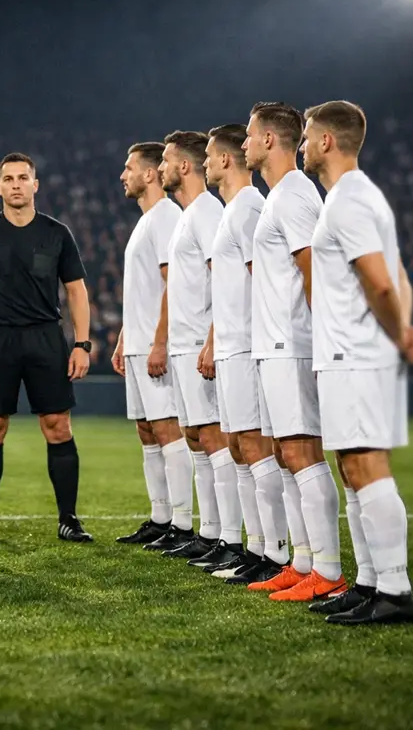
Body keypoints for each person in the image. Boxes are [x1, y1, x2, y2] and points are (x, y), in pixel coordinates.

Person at [303, 99, 413, 624]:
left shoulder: (348, 201)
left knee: (366, 466)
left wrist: (398, 335)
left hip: (356, 353)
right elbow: (399, 278)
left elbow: (379, 281)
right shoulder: (359, 196)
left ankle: (395, 591)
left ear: (327, 141)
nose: (305, 144)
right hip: (355, 352)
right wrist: (404, 331)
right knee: (352, 468)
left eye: (307, 135)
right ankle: (370, 583)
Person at [0, 152, 92, 543]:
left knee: (58, 426)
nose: (16, 184)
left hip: (46, 338)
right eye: (8, 178)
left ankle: (69, 518)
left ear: (36, 184)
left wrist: (82, 343)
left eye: (23, 177)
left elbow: (77, 290)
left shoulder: (57, 233)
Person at [239, 102, 344, 599]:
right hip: (273, 343)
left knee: (302, 451)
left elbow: (313, 270)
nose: (243, 145)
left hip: (292, 343)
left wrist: (322, 341)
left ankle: (327, 570)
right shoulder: (280, 196)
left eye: (250, 135)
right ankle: (303, 564)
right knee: (286, 453)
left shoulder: (295, 195)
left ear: (268, 141)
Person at [156, 131, 237, 566]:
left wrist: (212, 339)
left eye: (167, 161)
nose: (162, 168)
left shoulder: (207, 211)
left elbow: (221, 276)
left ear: (181, 166)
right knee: (196, 439)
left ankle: (229, 538)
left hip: (200, 345)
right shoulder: (189, 214)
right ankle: (210, 534)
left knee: (213, 439)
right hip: (184, 346)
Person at [197, 124, 270, 580]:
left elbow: (261, 280)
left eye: (209, 155)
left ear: (225, 160)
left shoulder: (248, 209)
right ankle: (256, 550)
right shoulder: (232, 210)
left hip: (247, 345)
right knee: (240, 448)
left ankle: (273, 555)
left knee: (256, 448)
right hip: (231, 345)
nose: (206, 162)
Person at [111, 143, 188, 549]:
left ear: (150, 173)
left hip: (158, 344)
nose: (123, 175)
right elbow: (144, 289)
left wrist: (160, 342)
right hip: (139, 342)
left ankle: (183, 523)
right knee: (147, 430)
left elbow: (172, 283)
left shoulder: (166, 218)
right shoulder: (146, 220)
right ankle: (161, 518)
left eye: (129, 168)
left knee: (168, 430)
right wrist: (128, 336)